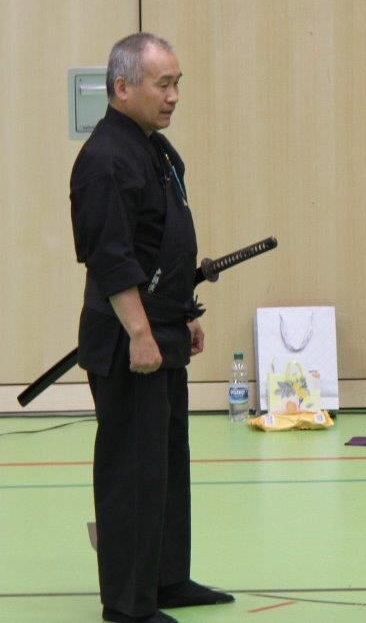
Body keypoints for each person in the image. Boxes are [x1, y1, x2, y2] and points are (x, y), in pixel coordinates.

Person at [70, 33, 235, 622]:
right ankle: (127, 603)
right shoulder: (104, 160)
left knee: (165, 462)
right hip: (126, 339)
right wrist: (141, 332)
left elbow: (162, 243)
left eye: (177, 83)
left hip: (161, 328)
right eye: (163, 84)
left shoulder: (155, 151)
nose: (173, 97)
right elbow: (111, 257)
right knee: (131, 469)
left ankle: (164, 580)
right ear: (122, 87)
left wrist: (182, 314)